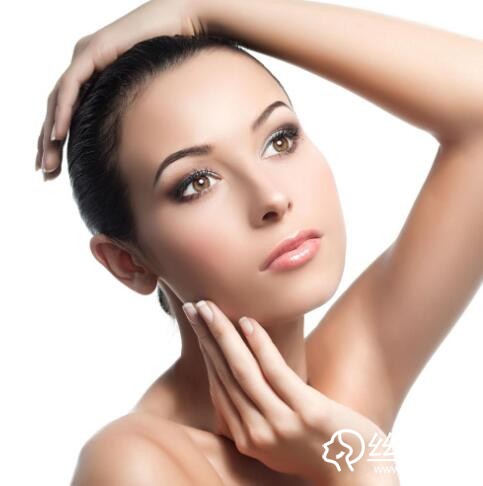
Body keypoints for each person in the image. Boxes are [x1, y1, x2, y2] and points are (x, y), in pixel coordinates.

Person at [36, 0, 483, 484]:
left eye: (279, 140)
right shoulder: (130, 465)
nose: (271, 197)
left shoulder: (338, 392)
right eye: (197, 183)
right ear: (128, 262)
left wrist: (201, 7)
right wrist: (357, 464)